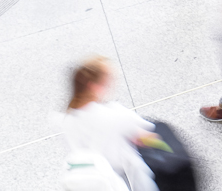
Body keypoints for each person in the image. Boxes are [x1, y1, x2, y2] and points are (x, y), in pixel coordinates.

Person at [62, 57, 160, 191]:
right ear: (93, 86)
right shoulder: (115, 114)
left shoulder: (67, 118)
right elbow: (148, 138)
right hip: (125, 179)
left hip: (90, 181)